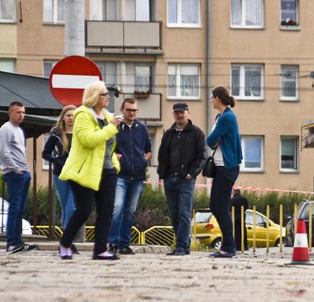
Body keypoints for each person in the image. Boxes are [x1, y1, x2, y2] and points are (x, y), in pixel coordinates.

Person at [57, 83, 122, 260]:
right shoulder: (83, 115)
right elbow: (88, 140)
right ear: (94, 96)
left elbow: (108, 144)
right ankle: (65, 243)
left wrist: (115, 160)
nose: (108, 97)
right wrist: (111, 128)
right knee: (83, 210)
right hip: (84, 170)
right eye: (104, 94)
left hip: (107, 170)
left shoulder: (108, 116)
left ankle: (100, 250)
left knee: (106, 210)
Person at [158, 102, 206, 256]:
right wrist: (162, 173)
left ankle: (181, 246)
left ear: (188, 113)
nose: (179, 115)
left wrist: (191, 173)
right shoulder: (168, 133)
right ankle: (182, 246)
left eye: (182, 112)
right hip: (170, 178)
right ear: (174, 114)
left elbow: (202, 156)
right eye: (177, 113)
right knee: (174, 214)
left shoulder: (196, 133)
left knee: (184, 213)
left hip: (186, 179)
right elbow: (162, 155)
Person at [108, 98, 152, 255]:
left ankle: (124, 244)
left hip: (138, 176)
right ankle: (112, 243)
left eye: (135, 110)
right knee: (117, 207)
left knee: (130, 211)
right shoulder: (115, 127)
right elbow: (106, 147)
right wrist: (115, 157)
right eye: (129, 110)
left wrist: (142, 160)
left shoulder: (142, 128)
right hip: (120, 175)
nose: (132, 113)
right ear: (122, 109)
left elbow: (149, 151)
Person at [206, 86, 243, 258]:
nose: (210, 100)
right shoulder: (221, 116)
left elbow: (210, 140)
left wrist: (215, 140)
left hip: (227, 167)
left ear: (218, 99)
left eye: (211, 97)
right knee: (215, 206)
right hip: (221, 167)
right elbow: (213, 141)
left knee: (221, 207)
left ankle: (229, 246)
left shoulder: (227, 118)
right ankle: (228, 244)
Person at [0, 101, 37, 254]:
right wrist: (15, 169)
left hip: (23, 172)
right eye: (18, 112)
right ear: (10, 113)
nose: (21, 115)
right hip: (14, 173)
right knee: (14, 207)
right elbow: (4, 153)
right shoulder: (6, 129)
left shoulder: (19, 130)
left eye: (23, 112)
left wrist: (24, 170)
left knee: (20, 208)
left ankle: (18, 240)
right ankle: (11, 242)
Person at [42, 105, 76, 229]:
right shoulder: (56, 134)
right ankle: (66, 241)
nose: (71, 118)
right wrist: (57, 161)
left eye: (73, 115)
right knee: (65, 208)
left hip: (77, 174)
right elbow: (45, 153)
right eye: (68, 115)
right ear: (63, 118)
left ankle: (66, 242)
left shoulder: (80, 133)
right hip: (60, 174)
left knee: (71, 208)